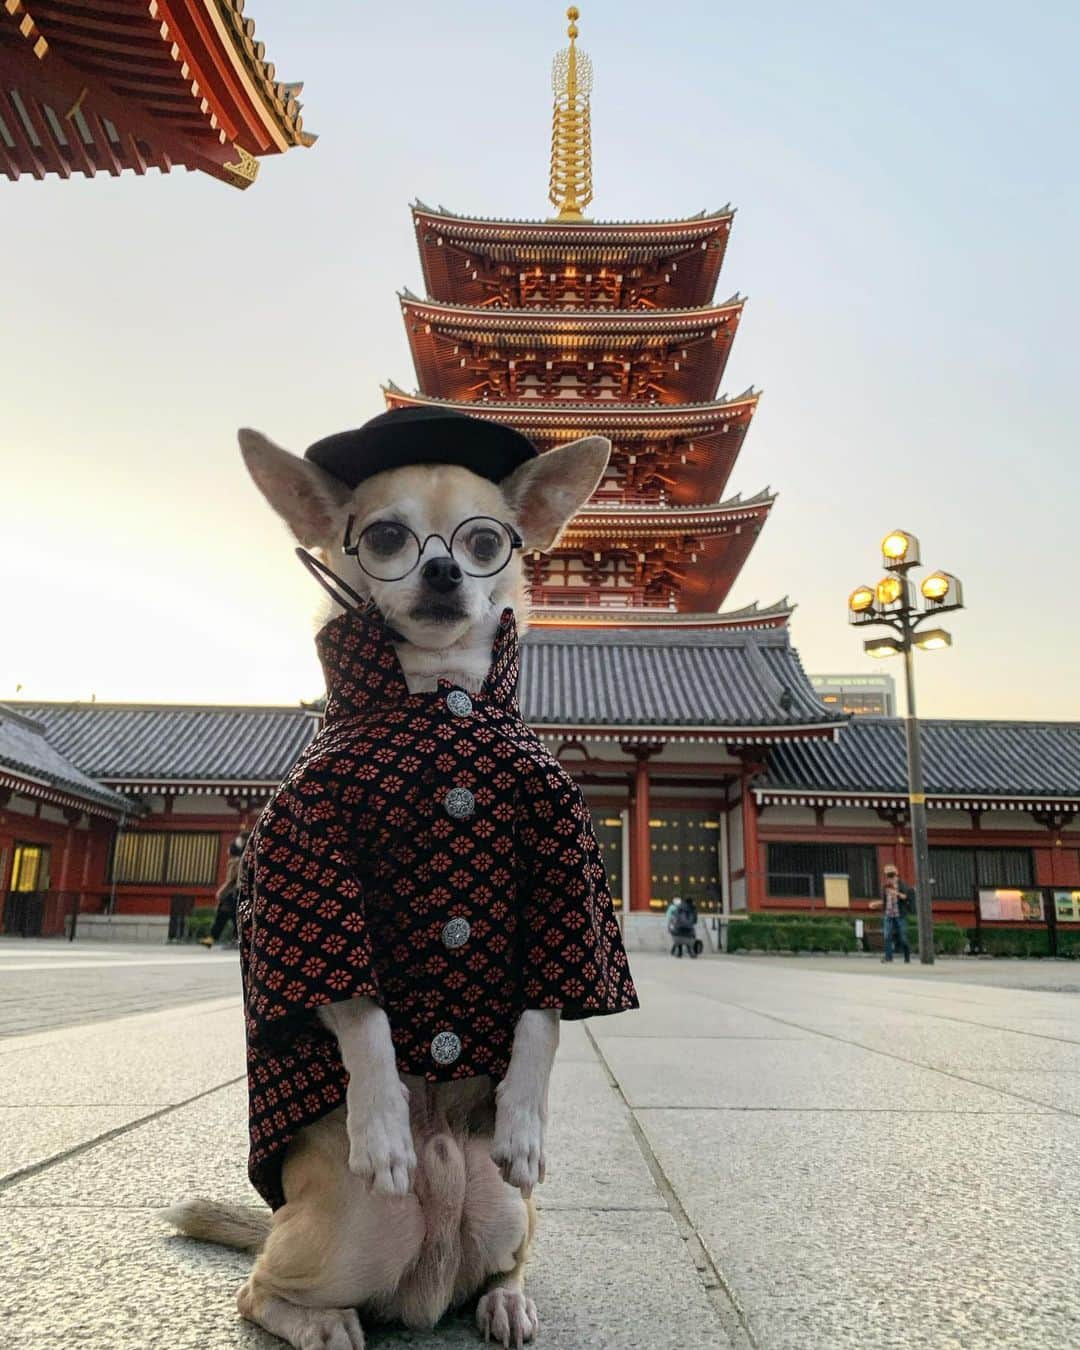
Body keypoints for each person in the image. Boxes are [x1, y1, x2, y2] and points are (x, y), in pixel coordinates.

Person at [199, 831, 248, 949]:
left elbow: (232, 880)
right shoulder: (243, 860)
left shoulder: (236, 862)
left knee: (232, 915)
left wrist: (221, 891)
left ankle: (236, 939)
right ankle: (213, 937)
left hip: (235, 892)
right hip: (235, 892)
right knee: (225, 915)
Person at [869, 863, 912, 963]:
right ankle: (889, 957)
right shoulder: (885, 886)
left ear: (896, 875)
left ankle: (907, 957)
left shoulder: (902, 884)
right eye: (888, 876)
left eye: (891, 875)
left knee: (903, 937)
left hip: (899, 915)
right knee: (887, 936)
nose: (890, 878)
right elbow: (885, 901)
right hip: (888, 914)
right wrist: (876, 904)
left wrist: (895, 893)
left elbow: (905, 897)